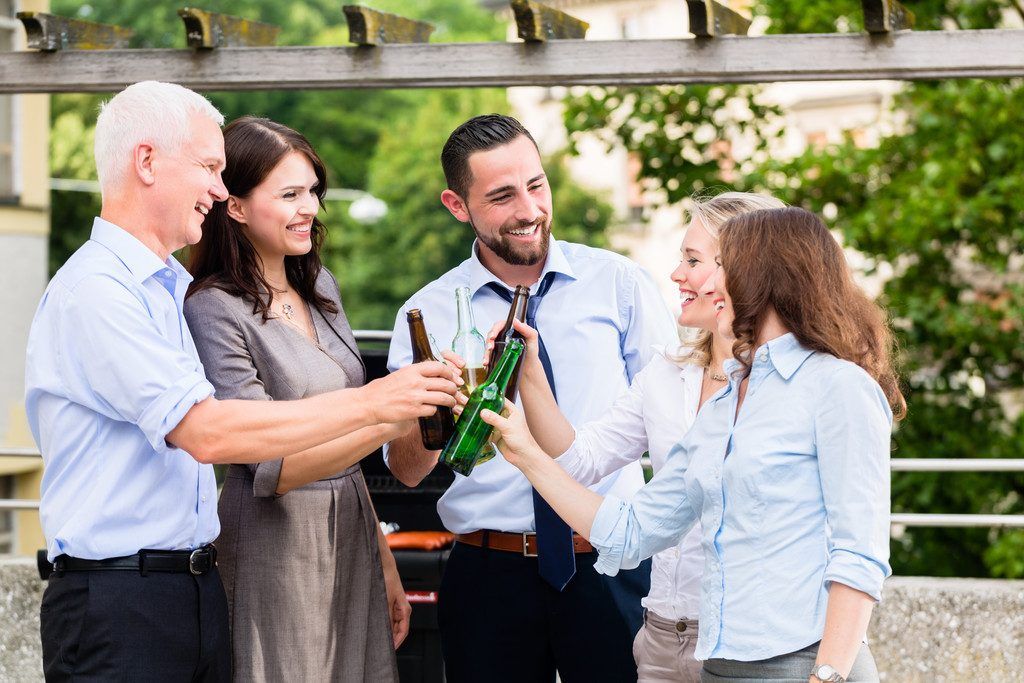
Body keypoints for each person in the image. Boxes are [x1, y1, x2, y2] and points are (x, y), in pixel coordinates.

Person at [24, 82, 458, 682]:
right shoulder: (99, 294)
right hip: (121, 599)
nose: (218, 188)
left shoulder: (171, 289)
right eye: (208, 167)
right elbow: (207, 433)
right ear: (146, 161)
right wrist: (378, 403)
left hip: (191, 587)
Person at [484, 206, 904, 682]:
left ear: (765, 275)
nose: (695, 281)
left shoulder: (838, 386)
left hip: (806, 662)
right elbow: (631, 530)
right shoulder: (726, 402)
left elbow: (859, 555)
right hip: (719, 666)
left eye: (718, 265)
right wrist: (523, 452)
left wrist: (826, 676)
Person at [385, 113, 678, 682]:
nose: (529, 210)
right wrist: (434, 412)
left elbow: (677, 436)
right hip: (487, 575)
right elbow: (406, 472)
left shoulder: (622, 286)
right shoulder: (427, 313)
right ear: (456, 205)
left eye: (536, 185)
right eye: (502, 196)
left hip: (614, 564)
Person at [486, 192, 784, 682]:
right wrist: (530, 371)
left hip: (747, 640)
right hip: (663, 637)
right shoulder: (665, 374)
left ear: (743, 269)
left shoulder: (792, 385)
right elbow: (579, 461)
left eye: (692, 261)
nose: (675, 275)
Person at [183, 116, 409, 682]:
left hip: (352, 526)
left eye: (313, 191)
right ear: (234, 206)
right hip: (273, 538)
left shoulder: (321, 287)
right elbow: (271, 467)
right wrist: (390, 413)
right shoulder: (213, 309)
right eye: (289, 194)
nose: (309, 207)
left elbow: (349, 435)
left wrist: (384, 560)